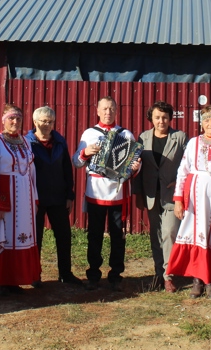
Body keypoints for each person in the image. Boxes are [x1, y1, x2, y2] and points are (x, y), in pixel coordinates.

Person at [167, 104, 211, 300]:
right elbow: (182, 171)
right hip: (195, 197)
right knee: (196, 235)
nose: (210, 123)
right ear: (201, 123)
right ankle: (197, 280)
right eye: (206, 120)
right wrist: (179, 200)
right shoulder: (194, 142)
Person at [73, 96, 140, 291]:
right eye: (104, 109)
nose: (108, 112)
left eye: (111, 109)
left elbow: (134, 164)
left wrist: (136, 167)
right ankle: (93, 274)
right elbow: (76, 162)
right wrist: (85, 152)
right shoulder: (89, 134)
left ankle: (115, 276)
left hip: (117, 192)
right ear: (97, 111)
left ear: (117, 110)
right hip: (95, 191)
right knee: (94, 234)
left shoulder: (126, 134)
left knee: (117, 235)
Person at [0, 103, 41, 295]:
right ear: (3, 120)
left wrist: (34, 198)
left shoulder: (25, 142)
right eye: (11, 118)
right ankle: (3, 282)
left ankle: (16, 279)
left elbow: (31, 170)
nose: (15, 122)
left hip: (24, 197)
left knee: (21, 238)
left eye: (18, 118)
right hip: (5, 197)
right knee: (6, 237)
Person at [133, 101, 187, 292]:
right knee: (155, 235)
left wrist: (183, 183)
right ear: (151, 119)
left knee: (169, 233)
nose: (161, 121)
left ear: (170, 118)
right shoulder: (143, 137)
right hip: (150, 194)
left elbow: (188, 164)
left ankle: (168, 275)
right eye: (157, 117)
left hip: (172, 194)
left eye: (164, 117)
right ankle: (158, 273)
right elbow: (137, 167)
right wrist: (137, 193)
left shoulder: (179, 138)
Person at [25, 106, 80, 286]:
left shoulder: (60, 141)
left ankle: (65, 273)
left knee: (64, 236)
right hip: (36, 199)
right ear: (35, 122)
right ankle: (35, 275)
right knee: (36, 238)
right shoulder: (27, 143)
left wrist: (69, 195)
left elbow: (66, 170)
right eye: (43, 121)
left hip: (58, 197)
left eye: (50, 121)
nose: (47, 124)